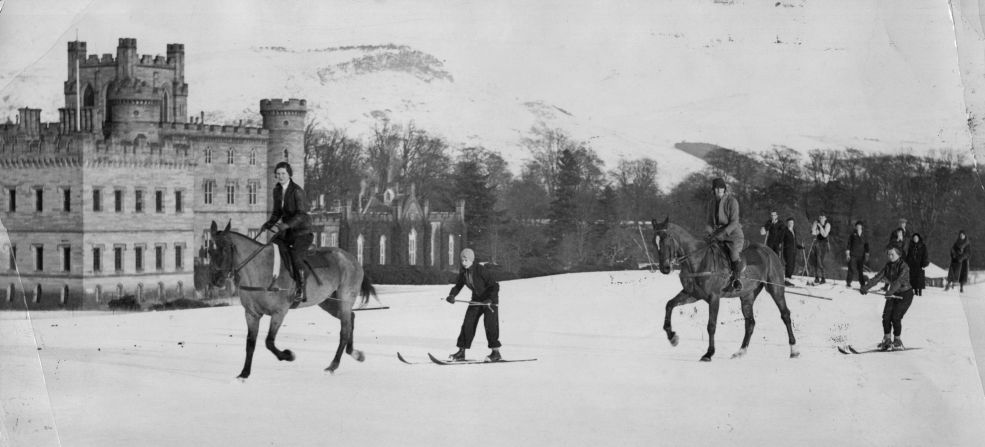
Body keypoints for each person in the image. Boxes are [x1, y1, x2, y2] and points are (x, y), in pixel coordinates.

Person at [261, 162, 313, 306]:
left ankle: (301, 289)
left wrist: (287, 224)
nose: (280, 176)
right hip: (287, 232)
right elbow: (277, 212)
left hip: (302, 232)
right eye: (278, 174)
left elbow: (302, 214)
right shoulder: (277, 190)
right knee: (274, 247)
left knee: (295, 255)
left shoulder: (297, 191)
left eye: (283, 173)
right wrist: (269, 223)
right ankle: (278, 281)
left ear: (289, 174)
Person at [446, 248, 502, 362]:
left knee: (490, 325)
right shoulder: (464, 272)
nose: (463, 262)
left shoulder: (481, 270)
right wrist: (452, 295)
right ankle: (461, 352)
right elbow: (458, 286)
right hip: (476, 300)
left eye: (466, 260)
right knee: (468, 323)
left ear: (471, 260)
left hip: (490, 301)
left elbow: (495, 286)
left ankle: (496, 353)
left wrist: (490, 299)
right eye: (462, 260)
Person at [860, 247, 914, 351]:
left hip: (905, 294)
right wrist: (866, 287)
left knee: (896, 317)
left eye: (892, 254)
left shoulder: (904, 266)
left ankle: (897, 341)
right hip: (892, 293)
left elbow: (899, 281)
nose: (889, 256)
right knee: (886, 317)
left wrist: (890, 292)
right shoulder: (888, 266)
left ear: (899, 255)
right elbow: (877, 277)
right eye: (888, 254)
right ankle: (887, 340)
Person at [704, 177, 745, 293]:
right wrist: (708, 233)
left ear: (724, 189)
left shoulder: (732, 201)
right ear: (713, 190)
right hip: (717, 234)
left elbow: (734, 222)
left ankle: (737, 280)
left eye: (721, 188)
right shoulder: (711, 202)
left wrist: (722, 233)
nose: (719, 190)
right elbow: (709, 222)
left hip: (733, 234)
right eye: (716, 188)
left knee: (733, 253)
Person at [845, 220, 870, 289]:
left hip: (861, 256)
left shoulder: (864, 235)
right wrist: (848, 254)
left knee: (860, 270)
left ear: (862, 227)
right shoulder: (852, 235)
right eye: (857, 226)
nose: (858, 227)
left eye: (859, 226)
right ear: (855, 227)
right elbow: (848, 244)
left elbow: (866, 245)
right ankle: (848, 283)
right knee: (851, 269)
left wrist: (867, 254)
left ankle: (862, 284)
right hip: (852, 255)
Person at [808, 213, 831, 284]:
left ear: (825, 218)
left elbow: (824, 234)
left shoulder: (827, 225)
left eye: (823, 218)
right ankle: (817, 277)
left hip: (823, 244)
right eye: (820, 217)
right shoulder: (816, 222)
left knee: (819, 261)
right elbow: (813, 233)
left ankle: (823, 277)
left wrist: (820, 227)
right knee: (815, 261)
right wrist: (815, 228)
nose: (821, 219)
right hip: (817, 243)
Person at [779, 217, 801, 286]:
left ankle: (789, 278)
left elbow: (795, 241)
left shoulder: (794, 230)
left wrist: (799, 246)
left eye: (792, 223)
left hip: (794, 250)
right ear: (787, 223)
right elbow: (780, 239)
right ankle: (786, 280)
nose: (791, 224)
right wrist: (779, 246)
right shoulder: (784, 230)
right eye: (789, 223)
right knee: (789, 265)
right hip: (787, 250)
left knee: (793, 265)